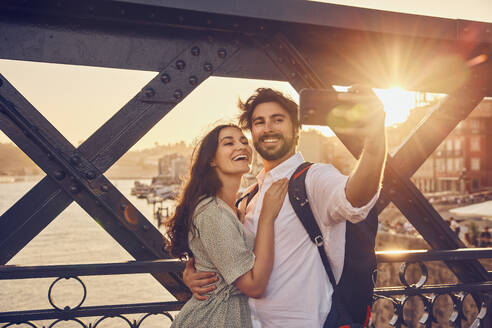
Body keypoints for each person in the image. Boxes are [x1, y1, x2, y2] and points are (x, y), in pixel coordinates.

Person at [183, 86, 387, 327]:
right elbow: (229, 256)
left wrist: (375, 142)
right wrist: (192, 274)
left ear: (296, 131)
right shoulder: (247, 198)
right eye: (259, 122)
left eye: (277, 120)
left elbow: (355, 198)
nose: (268, 128)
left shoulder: (313, 179)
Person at [165, 124, 288, 327]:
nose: (241, 147)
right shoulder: (212, 211)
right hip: (212, 319)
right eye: (228, 143)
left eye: (244, 141)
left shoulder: (237, 205)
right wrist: (267, 217)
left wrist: (191, 272)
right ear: (211, 160)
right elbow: (254, 286)